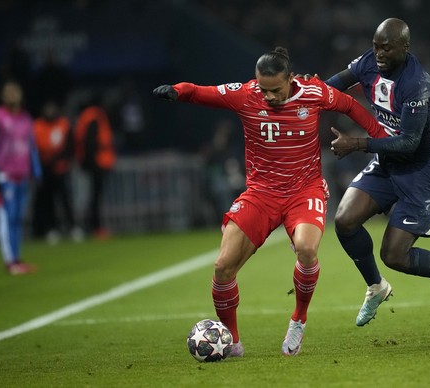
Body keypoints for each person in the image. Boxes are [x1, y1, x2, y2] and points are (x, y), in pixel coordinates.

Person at [153, 47, 387, 357]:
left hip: (305, 191)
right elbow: (202, 93)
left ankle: (298, 320)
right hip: (260, 193)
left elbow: (350, 106)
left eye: (275, 89)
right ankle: (233, 343)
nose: (269, 96)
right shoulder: (247, 95)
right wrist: (178, 91)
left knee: (306, 248)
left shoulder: (314, 92)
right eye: (263, 88)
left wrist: (380, 136)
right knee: (223, 267)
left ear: (291, 79)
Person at [323, 18, 430, 327]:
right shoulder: (368, 62)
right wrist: (302, 93)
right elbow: (331, 86)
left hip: (420, 170)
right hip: (387, 161)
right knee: (344, 220)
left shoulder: (416, 83)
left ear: (404, 47)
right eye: (376, 46)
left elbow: (410, 144)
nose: (379, 54)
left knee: (395, 255)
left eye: (386, 48)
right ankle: (376, 287)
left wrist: (358, 144)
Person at [0, 79, 42, 275]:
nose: (13, 96)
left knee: (17, 219)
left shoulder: (25, 119)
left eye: (16, 92)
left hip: (21, 175)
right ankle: (10, 261)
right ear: (4, 96)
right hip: (3, 176)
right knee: (6, 218)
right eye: (10, 92)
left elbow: (31, 146)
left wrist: (36, 170)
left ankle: (17, 257)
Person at [33, 100, 83, 243]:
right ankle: (52, 229)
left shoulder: (63, 124)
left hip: (61, 168)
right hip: (45, 169)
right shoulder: (38, 126)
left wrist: (62, 160)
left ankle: (73, 227)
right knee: (48, 201)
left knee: (66, 199)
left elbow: (70, 145)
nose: (50, 111)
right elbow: (34, 148)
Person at [74, 95, 116, 239]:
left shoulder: (87, 115)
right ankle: (95, 227)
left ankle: (92, 225)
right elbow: (91, 140)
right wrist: (92, 162)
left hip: (94, 161)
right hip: (97, 161)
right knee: (95, 196)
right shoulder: (94, 115)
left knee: (93, 195)